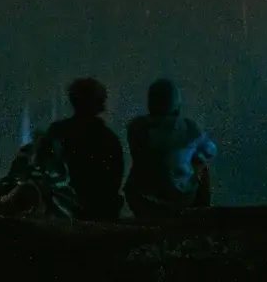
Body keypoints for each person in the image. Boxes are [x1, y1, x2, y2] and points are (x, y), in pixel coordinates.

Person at [124, 79, 217, 219]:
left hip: (144, 199)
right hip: (182, 199)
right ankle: (203, 216)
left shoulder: (137, 127)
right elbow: (210, 150)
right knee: (202, 167)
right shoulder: (190, 128)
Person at [42, 77, 124, 221]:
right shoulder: (108, 138)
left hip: (62, 213)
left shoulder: (57, 132)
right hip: (99, 214)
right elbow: (114, 180)